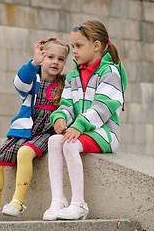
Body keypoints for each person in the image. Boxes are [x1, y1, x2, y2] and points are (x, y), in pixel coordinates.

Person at [0, 38, 70, 221]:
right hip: (26, 129)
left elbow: (69, 106)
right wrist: (34, 63)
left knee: (24, 153)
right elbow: (19, 83)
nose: (55, 62)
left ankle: (17, 202)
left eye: (61, 59)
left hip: (47, 132)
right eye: (50, 57)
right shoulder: (32, 79)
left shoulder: (64, 84)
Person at [43, 19, 127, 221]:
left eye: (79, 46)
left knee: (70, 145)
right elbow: (67, 105)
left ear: (96, 46)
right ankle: (58, 201)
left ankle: (79, 203)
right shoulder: (73, 75)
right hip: (84, 131)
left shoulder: (109, 72)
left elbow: (104, 106)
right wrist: (60, 118)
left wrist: (79, 125)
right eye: (73, 47)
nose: (75, 51)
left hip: (104, 132)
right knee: (54, 141)